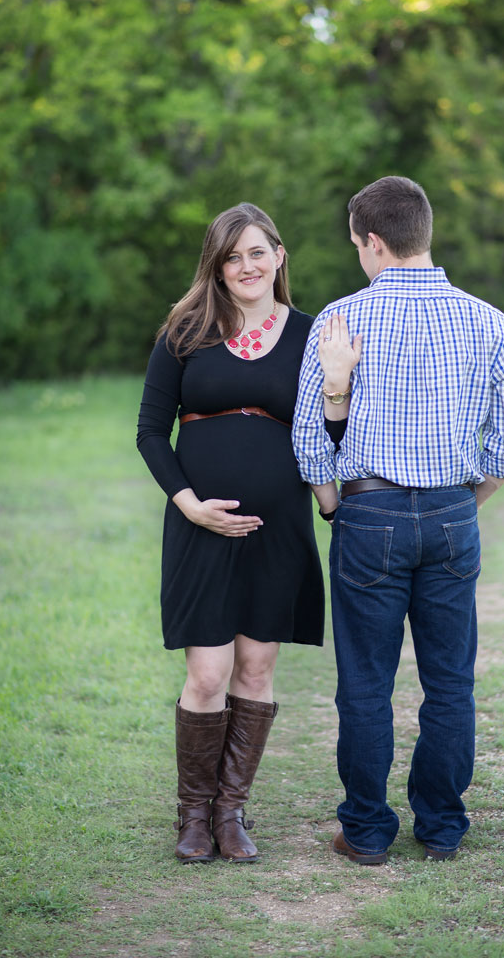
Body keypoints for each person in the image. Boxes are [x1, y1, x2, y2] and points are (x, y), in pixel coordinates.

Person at [292, 176, 504, 865]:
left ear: (372, 242)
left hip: (368, 512)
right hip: (454, 511)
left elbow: (310, 443)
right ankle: (442, 828)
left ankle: (366, 832)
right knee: (449, 681)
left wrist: (338, 509)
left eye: (357, 247)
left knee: (366, 682)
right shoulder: (490, 321)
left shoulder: (339, 320)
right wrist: (461, 505)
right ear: (423, 233)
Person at [137, 202, 332, 865]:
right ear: (216, 267)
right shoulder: (186, 330)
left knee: (256, 665)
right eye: (232, 256)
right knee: (207, 674)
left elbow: (329, 435)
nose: (246, 266)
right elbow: (148, 431)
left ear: (279, 255)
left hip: (278, 526)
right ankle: (192, 814)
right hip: (199, 526)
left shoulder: (313, 333)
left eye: (257, 252)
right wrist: (190, 505)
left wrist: (337, 396)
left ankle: (231, 812)